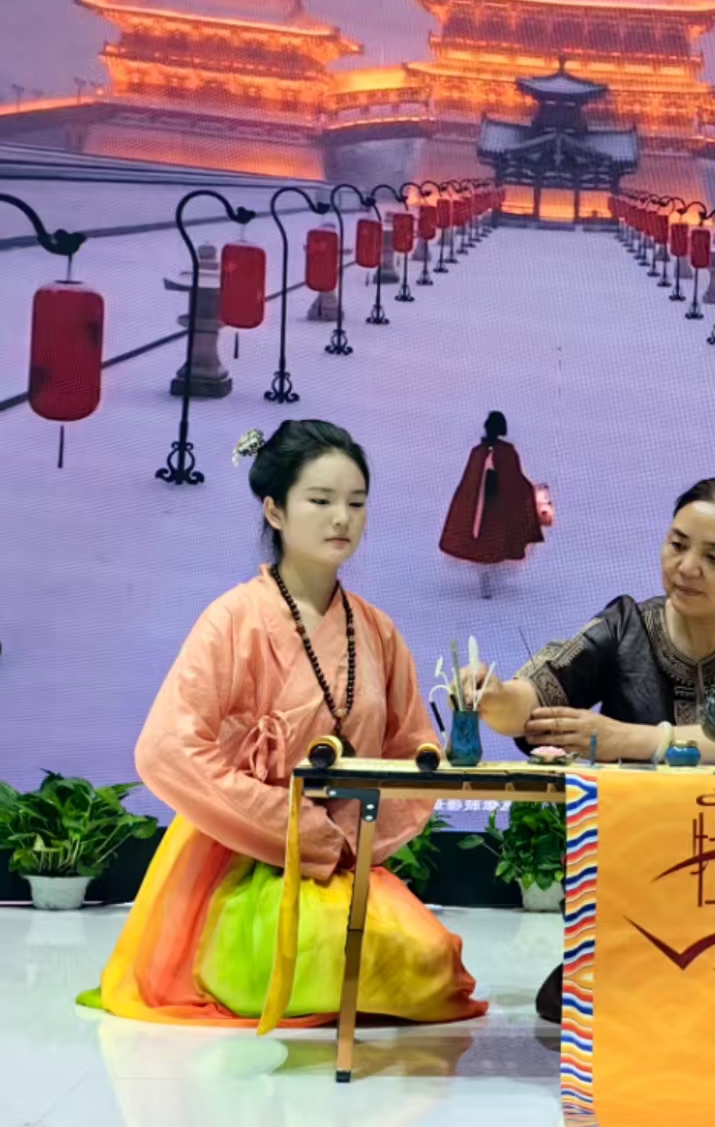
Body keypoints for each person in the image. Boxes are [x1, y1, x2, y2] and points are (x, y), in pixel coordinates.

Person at [80, 420, 485, 1028]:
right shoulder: (234, 619)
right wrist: (293, 825)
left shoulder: (376, 630)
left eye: (356, 503)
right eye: (320, 501)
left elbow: (413, 752)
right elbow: (167, 749)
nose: (342, 519)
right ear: (274, 510)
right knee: (317, 960)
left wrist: (350, 840)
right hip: (237, 858)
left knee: (431, 967)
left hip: (340, 863)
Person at [466, 476, 715, 1023]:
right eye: (677, 545)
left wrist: (634, 740)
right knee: (579, 1005)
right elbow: (532, 700)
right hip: (635, 878)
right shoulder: (627, 625)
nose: (687, 567)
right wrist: (493, 696)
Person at [439, 410, 545, 598]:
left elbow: (469, 483)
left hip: (478, 510)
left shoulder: (478, 452)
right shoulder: (507, 453)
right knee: (497, 542)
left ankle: (485, 579)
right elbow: (515, 482)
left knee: (481, 540)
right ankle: (490, 579)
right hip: (499, 509)